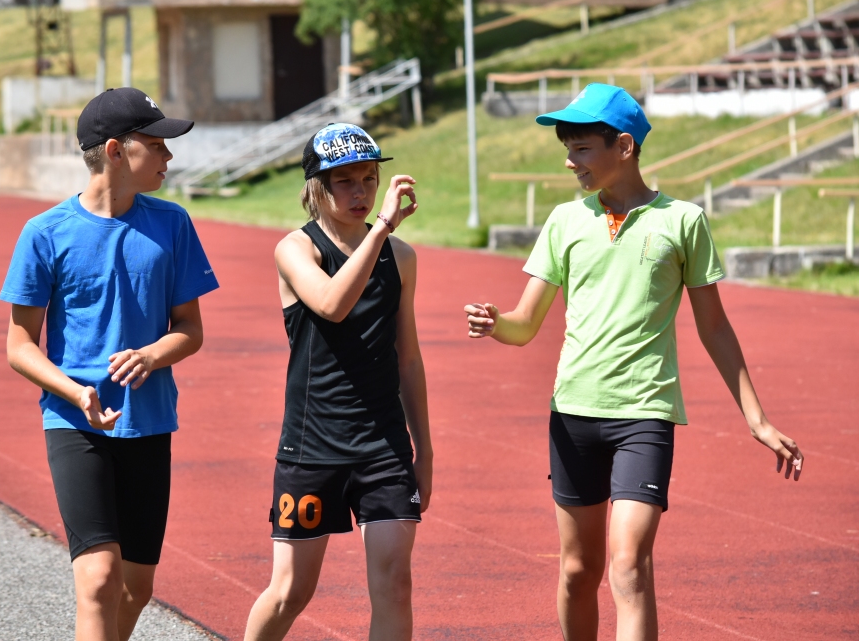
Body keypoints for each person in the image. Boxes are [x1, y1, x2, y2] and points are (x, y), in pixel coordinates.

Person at [463, 84, 804, 641]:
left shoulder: (683, 221)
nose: (570, 161)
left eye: (581, 149)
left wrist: (757, 419)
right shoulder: (565, 221)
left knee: (628, 564)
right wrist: (495, 322)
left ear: (623, 146)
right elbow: (525, 324)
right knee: (578, 571)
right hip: (572, 415)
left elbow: (714, 326)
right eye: (568, 149)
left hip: (644, 414)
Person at [0, 87, 219, 641]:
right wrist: (73, 393)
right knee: (98, 578)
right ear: (118, 150)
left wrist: (150, 354)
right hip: (74, 423)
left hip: (149, 421)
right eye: (159, 144)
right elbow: (19, 344)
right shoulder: (45, 233)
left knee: (135, 587)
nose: (169, 157)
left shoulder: (173, 224)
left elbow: (189, 331)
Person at [244, 124, 433, 641]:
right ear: (315, 188)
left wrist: (426, 451)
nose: (360, 193)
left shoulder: (402, 258)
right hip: (312, 446)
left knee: (395, 584)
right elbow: (331, 304)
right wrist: (380, 231)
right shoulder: (295, 250)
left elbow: (408, 358)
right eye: (344, 181)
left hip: (384, 447)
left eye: (369, 180)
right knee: (290, 592)